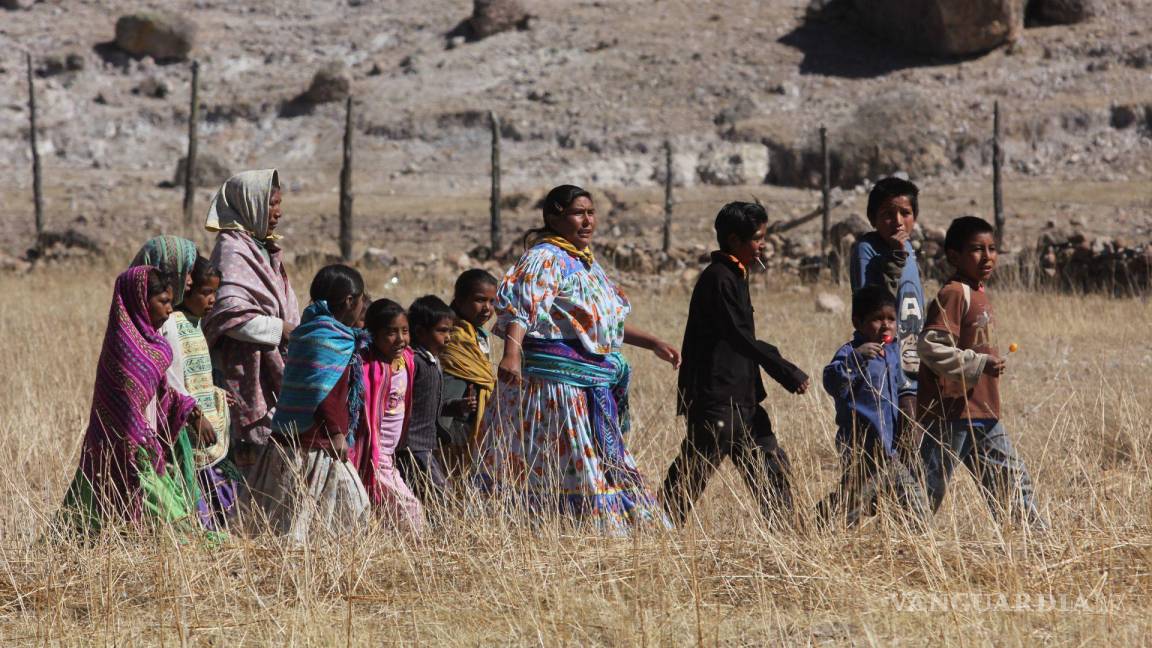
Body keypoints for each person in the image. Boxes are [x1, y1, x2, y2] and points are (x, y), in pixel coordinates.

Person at [477, 184, 681, 535]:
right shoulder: (544, 258)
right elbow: (521, 309)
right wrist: (511, 356)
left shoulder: (586, 263)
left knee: (598, 460)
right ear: (553, 216)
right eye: (578, 213)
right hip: (554, 392)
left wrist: (653, 343)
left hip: (585, 386)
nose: (587, 221)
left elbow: (600, 323)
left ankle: (609, 532)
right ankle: (569, 531)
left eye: (591, 212)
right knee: (569, 463)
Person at [660, 201, 809, 529]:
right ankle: (651, 532)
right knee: (690, 477)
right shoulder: (718, 279)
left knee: (771, 469)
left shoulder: (734, 275)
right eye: (757, 238)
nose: (763, 245)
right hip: (718, 400)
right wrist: (783, 369)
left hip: (741, 398)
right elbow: (739, 336)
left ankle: (786, 540)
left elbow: (740, 339)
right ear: (733, 240)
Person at [58, 267, 215, 537]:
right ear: (142, 302)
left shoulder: (154, 342)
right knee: (167, 522)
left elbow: (163, 392)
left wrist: (190, 411)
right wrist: (141, 449)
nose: (169, 310)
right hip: (130, 448)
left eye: (170, 302)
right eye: (163, 302)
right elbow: (128, 410)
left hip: (146, 443)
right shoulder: (124, 346)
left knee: (171, 522)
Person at [917, 216, 1044, 527]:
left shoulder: (979, 291)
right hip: (951, 411)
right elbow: (931, 347)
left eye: (992, 248)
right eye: (976, 249)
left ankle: (1036, 547)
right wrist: (979, 363)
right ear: (953, 256)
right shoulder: (955, 293)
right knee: (927, 489)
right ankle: (900, 544)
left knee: (1012, 481)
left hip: (982, 409)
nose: (987, 256)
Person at [244, 265, 369, 541]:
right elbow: (321, 390)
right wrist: (337, 432)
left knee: (297, 510)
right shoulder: (329, 339)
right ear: (350, 301)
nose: (363, 305)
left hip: (295, 436)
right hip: (316, 441)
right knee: (337, 508)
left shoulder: (307, 332)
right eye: (362, 298)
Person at [201, 169, 300, 488]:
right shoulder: (232, 249)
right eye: (271, 204)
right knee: (244, 460)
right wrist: (279, 328)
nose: (278, 212)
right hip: (243, 368)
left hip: (274, 362)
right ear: (251, 204)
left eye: (279, 204)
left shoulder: (263, 248)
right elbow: (228, 312)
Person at [818, 286, 929, 528]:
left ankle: (918, 534)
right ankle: (823, 521)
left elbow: (904, 388)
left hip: (889, 450)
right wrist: (857, 358)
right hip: (861, 449)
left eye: (891, 319)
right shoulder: (850, 352)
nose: (886, 325)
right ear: (858, 321)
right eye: (878, 319)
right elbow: (832, 382)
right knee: (853, 502)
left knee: (915, 502)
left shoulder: (892, 353)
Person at [849, 177, 925, 454]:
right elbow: (870, 302)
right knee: (896, 446)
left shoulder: (909, 251)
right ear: (872, 218)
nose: (897, 221)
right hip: (885, 359)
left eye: (905, 213)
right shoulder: (866, 250)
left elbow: (914, 305)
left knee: (913, 440)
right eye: (887, 214)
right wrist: (894, 257)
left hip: (912, 356)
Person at [167, 257, 239, 531]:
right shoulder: (173, 323)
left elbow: (196, 374)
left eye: (215, 293)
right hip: (189, 422)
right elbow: (175, 378)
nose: (212, 300)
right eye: (205, 292)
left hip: (202, 419)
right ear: (186, 289)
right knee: (194, 480)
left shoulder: (196, 322)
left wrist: (215, 392)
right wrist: (195, 414)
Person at [350, 299, 424, 534]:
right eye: (391, 333)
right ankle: (420, 550)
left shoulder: (407, 361)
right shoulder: (366, 367)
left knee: (380, 508)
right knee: (410, 508)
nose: (400, 339)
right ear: (372, 334)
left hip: (390, 454)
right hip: (374, 453)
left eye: (405, 331)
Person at [399, 295, 476, 511]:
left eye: (450, 331)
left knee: (433, 499)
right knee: (441, 500)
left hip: (426, 444)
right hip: (413, 445)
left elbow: (430, 403)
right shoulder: (414, 362)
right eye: (442, 331)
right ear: (421, 332)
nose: (448, 337)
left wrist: (454, 407)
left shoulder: (433, 362)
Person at [439, 269, 498, 474]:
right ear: (460, 300)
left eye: (492, 302)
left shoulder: (476, 333)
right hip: (451, 417)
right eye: (480, 300)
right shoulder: (451, 334)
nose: (487, 308)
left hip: (473, 416)